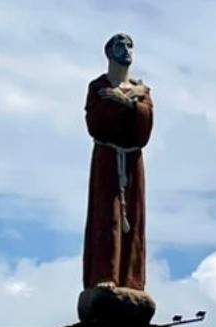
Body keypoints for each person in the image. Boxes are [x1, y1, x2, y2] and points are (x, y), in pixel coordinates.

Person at [82, 33, 153, 296]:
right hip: (107, 158)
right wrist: (127, 104)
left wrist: (123, 101)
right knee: (106, 215)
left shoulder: (142, 91)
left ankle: (132, 279)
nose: (126, 50)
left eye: (130, 45)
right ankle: (104, 274)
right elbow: (98, 124)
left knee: (133, 218)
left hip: (132, 160)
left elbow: (143, 132)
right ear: (109, 52)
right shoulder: (98, 87)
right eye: (120, 45)